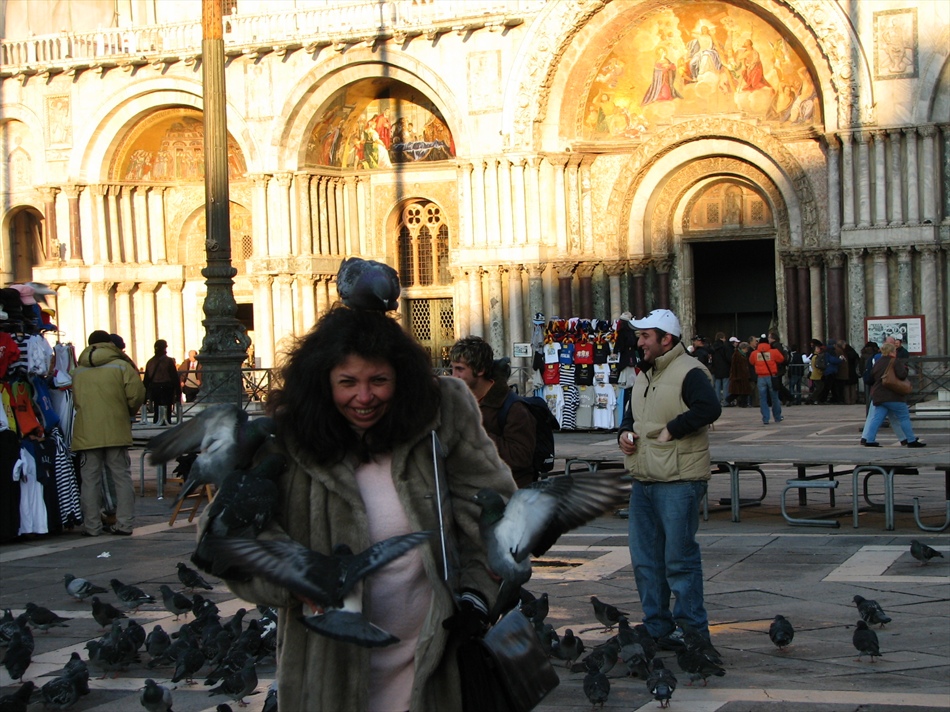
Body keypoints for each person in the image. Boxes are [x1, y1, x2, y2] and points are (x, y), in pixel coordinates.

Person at [222, 305, 516, 711]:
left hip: (433, 660)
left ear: (402, 378)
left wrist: (476, 596)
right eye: (347, 382)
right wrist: (296, 575)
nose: (364, 397)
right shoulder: (287, 439)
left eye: (379, 380)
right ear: (323, 382)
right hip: (326, 669)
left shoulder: (440, 416)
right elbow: (229, 536)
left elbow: (493, 511)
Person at [616, 309, 721, 648]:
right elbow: (632, 416)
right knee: (645, 560)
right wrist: (624, 434)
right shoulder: (644, 374)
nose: (639, 342)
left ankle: (693, 633)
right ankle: (657, 625)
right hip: (644, 478)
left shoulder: (690, 371)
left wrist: (673, 429)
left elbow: (709, 408)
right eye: (639, 336)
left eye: (646, 336)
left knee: (679, 560)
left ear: (667, 339)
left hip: (679, 479)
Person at [70, 330, 146, 536]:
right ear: (109, 344)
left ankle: (92, 526)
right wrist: (127, 411)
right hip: (116, 429)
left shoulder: (78, 371)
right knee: (121, 477)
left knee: (89, 480)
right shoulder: (121, 366)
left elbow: (76, 401)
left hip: (86, 431)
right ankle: (124, 524)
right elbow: (137, 394)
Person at [449, 336, 537, 488]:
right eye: (452, 368)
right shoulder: (457, 402)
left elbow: (520, 457)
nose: (454, 376)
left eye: (460, 369)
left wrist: (476, 434)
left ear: (480, 370)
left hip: (507, 493)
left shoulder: (514, 408)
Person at [862, 342, 925, 447]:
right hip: (893, 395)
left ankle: (869, 440)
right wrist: (905, 369)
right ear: (891, 351)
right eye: (895, 350)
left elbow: (872, 375)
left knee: (876, 419)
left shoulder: (878, 362)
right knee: (904, 417)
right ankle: (911, 440)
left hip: (879, 395)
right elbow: (902, 375)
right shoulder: (894, 361)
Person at [143, 339, 181, 423]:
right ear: (164, 348)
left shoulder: (150, 362)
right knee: (167, 409)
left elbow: (146, 380)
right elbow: (174, 377)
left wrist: (144, 395)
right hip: (167, 388)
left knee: (157, 407)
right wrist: (178, 392)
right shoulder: (168, 361)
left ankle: (157, 422)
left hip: (155, 388)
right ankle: (166, 422)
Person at [750, 337, 785, 425]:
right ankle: (777, 417)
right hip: (771, 376)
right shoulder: (774, 352)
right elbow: (781, 359)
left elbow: (751, 362)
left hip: (761, 377)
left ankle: (765, 418)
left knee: (763, 398)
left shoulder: (754, 353)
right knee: (774, 398)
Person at [726, 340, 753, 407]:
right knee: (740, 391)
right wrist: (735, 376)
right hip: (739, 376)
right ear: (743, 348)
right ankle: (730, 400)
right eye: (746, 349)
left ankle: (742, 403)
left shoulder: (741, 355)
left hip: (742, 375)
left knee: (742, 391)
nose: (747, 350)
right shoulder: (737, 355)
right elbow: (734, 366)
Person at [709, 332, 733, 405]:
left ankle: (717, 401)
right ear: (721, 338)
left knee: (717, 386)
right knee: (726, 386)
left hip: (716, 369)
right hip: (725, 368)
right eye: (724, 338)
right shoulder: (725, 347)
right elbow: (728, 358)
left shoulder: (712, 347)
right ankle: (726, 401)